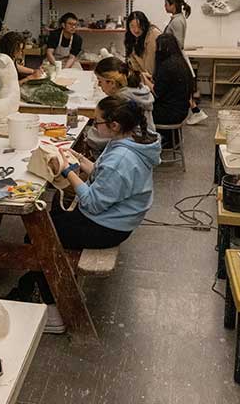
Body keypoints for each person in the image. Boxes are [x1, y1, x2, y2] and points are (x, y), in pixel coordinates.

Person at [10, 96, 161, 333]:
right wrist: (81, 160)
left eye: (97, 122)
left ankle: (54, 314)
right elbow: (104, 177)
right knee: (55, 215)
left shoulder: (121, 158)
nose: (93, 126)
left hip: (108, 228)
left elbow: (92, 203)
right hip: (116, 217)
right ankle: (32, 284)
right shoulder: (129, 141)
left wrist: (70, 172)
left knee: (38, 238)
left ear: (115, 125)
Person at [149, 34, 194, 146]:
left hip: (170, 114)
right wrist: (152, 78)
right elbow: (167, 85)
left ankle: (148, 144)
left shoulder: (167, 66)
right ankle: (168, 139)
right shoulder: (180, 61)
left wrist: (144, 80)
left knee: (139, 110)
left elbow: (156, 92)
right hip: (182, 110)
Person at [92, 56, 155, 134]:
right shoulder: (137, 90)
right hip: (147, 138)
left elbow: (108, 134)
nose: (98, 85)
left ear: (111, 83)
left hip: (134, 143)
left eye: (100, 81)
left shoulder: (121, 100)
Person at [125, 10, 162, 74]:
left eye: (139, 26)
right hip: (145, 76)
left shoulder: (153, 34)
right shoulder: (131, 37)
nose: (136, 30)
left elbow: (151, 66)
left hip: (156, 76)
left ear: (144, 24)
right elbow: (134, 61)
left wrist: (146, 78)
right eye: (132, 26)